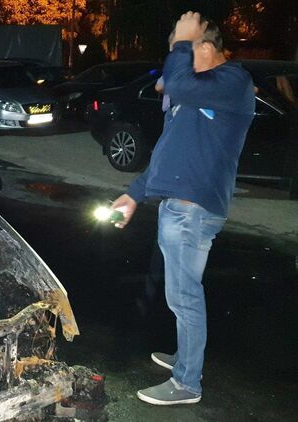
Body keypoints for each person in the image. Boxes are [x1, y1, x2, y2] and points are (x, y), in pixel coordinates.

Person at [111, 12, 255, 405]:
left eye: (185, 48)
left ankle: (187, 383)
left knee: (184, 296)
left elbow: (175, 82)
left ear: (205, 48)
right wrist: (134, 195)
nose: (177, 57)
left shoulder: (233, 81)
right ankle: (188, 358)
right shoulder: (198, 95)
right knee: (181, 295)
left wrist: (181, 47)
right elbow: (167, 151)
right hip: (179, 208)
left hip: (193, 211)